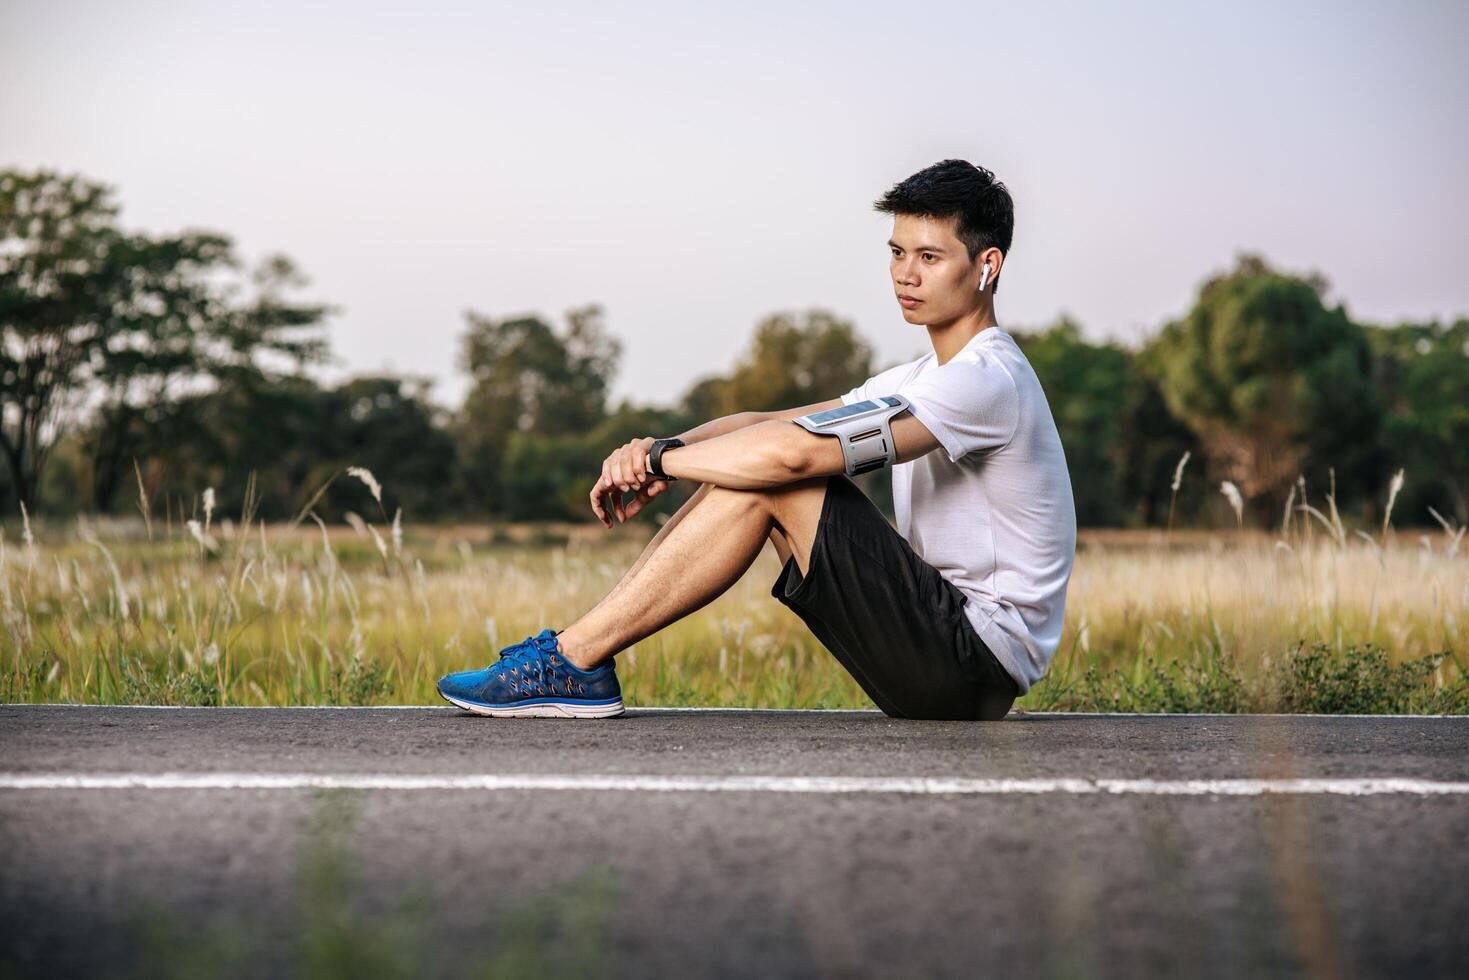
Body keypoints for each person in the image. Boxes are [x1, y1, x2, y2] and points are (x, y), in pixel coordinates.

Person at [436, 159, 1076, 720]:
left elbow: (795, 453)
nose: (904, 274)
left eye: (929, 257)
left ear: (986, 265)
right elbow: (762, 426)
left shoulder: (987, 379)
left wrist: (670, 461)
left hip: (972, 661)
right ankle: (575, 659)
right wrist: (664, 451)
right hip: (941, 659)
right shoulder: (919, 379)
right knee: (763, 459)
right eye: (896, 252)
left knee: (784, 477)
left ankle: (573, 659)